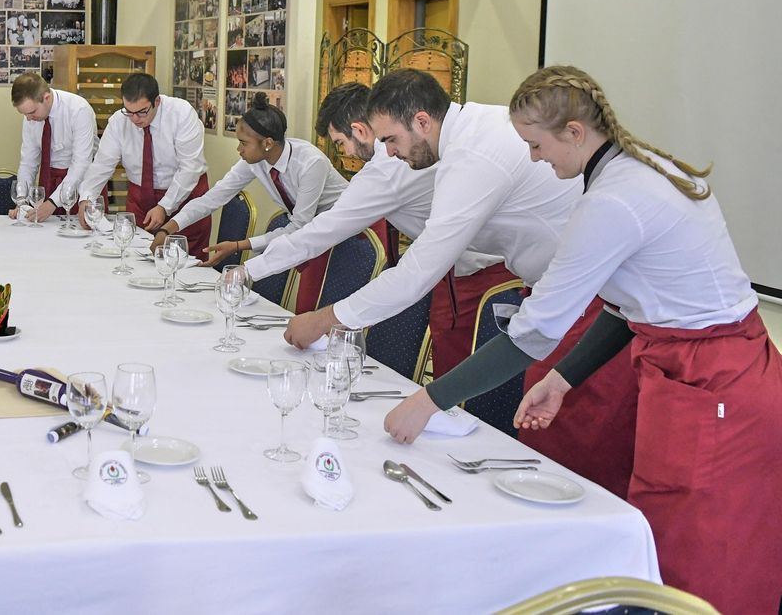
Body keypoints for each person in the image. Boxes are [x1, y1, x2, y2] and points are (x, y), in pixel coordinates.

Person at [382, 66, 779, 615]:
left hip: (716, 384)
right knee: (660, 536)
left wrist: (428, 400)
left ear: (574, 132)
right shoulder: (635, 168)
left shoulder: (613, 200)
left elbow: (531, 335)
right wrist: (564, 378)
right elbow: (629, 307)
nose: (533, 159)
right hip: (702, 370)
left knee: (696, 557)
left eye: (537, 145)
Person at [284, 69, 637, 497]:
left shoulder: (473, 156)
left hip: (590, 305)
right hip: (571, 298)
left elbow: (418, 272)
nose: (388, 153)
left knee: (572, 454)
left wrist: (328, 321)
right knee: (547, 439)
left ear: (421, 121)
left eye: (391, 139)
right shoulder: (471, 134)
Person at [235, 83, 512, 371]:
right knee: (453, 359)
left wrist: (250, 271)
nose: (345, 152)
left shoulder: (388, 169)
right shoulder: (415, 151)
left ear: (359, 130)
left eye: (340, 143)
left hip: (478, 273)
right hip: (454, 267)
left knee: (468, 368)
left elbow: (321, 232)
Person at [154, 92, 345, 310]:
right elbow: (213, 197)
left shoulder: (310, 163)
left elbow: (299, 227)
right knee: (308, 306)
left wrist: (239, 246)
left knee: (320, 306)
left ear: (268, 143)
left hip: (347, 234)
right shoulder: (257, 161)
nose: (239, 149)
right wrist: (168, 228)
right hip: (311, 232)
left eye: (243, 143)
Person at [77, 73, 211, 258]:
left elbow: (190, 168)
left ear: (157, 102)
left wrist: (164, 206)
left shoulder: (181, 114)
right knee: (135, 255)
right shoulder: (119, 121)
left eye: (142, 112)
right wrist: (87, 197)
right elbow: (102, 164)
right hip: (140, 198)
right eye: (129, 111)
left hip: (185, 197)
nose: (135, 119)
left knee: (184, 261)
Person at [10, 72, 96, 222]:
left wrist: (53, 202)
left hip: (81, 183)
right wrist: (22, 201)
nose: (28, 119)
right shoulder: (30, 117)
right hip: (49, 180)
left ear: (47, 98)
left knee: (79, 230)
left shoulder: (79, 110)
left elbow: (81, 164)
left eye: (32, 112)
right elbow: (28, 162)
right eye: (24, 114)